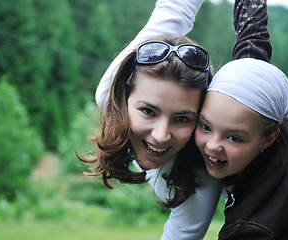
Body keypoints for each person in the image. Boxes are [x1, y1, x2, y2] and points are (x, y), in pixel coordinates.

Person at [80, 0, 276, 239]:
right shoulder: (109, 92)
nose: (161, 136)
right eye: (149, 112)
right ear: (124, 97)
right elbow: (175, 8)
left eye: (182, 119)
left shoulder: (199, 180)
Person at [195, 58, 288, 239]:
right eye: (205, 126)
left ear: (268, 139)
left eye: (234, 138)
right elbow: (251, 54)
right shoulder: (271, 109)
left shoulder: (250, 228)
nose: (212, 145)